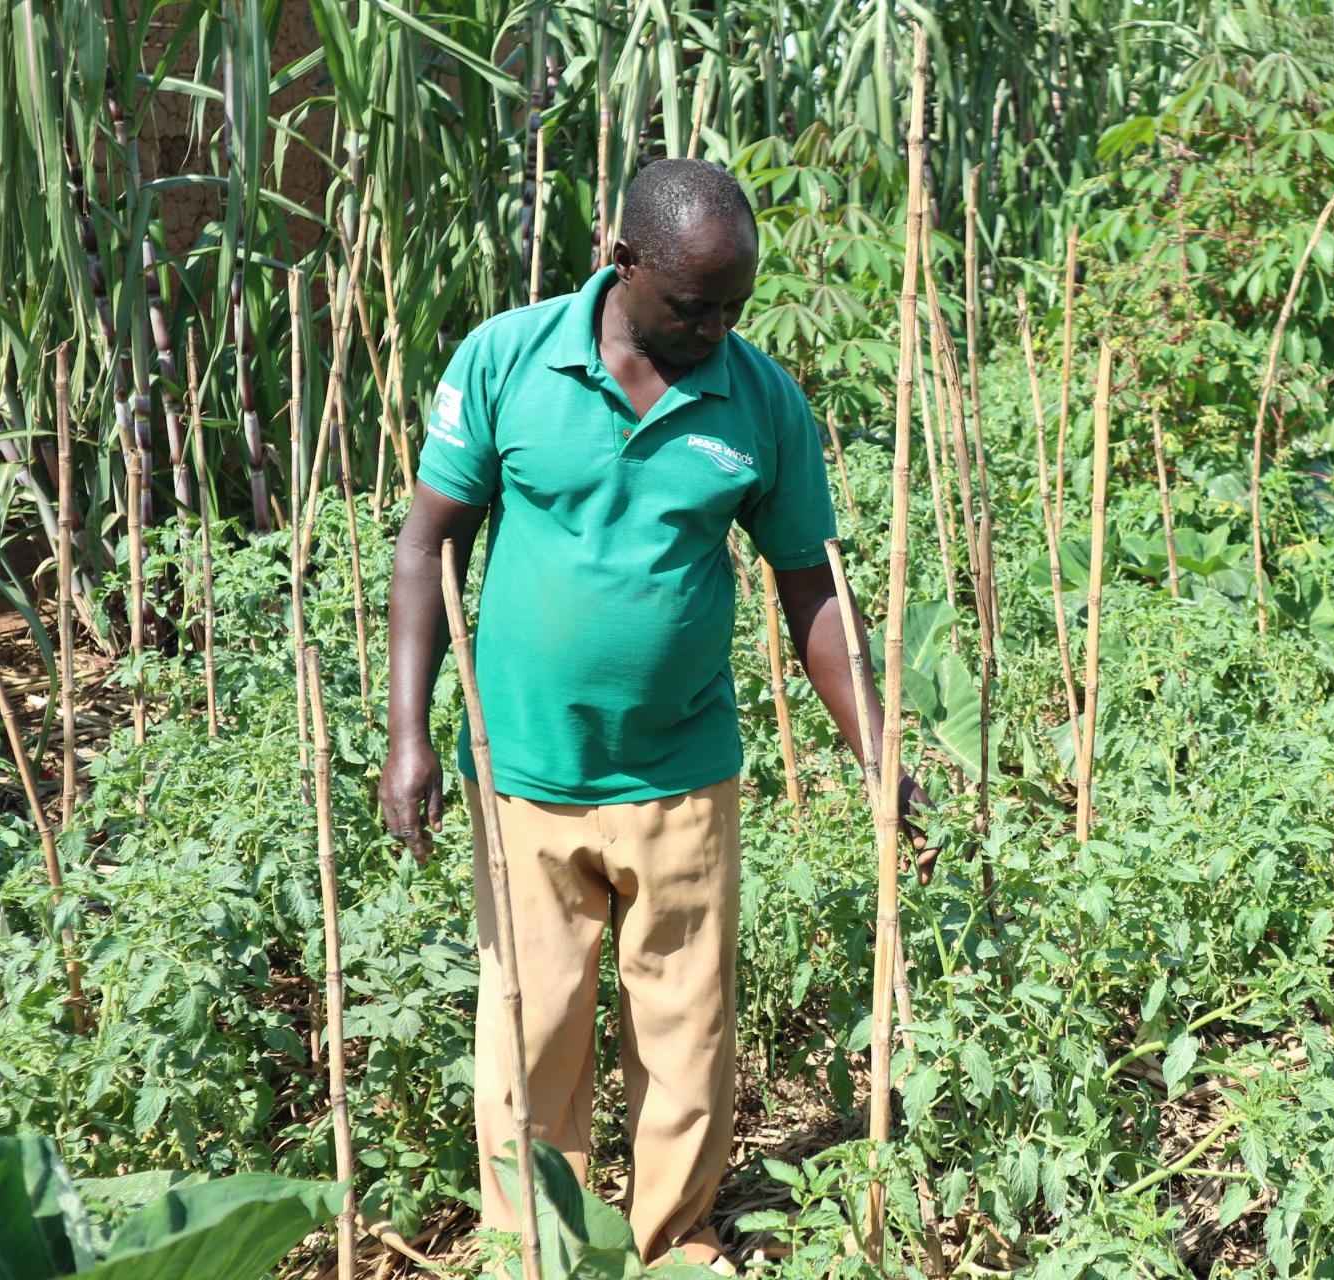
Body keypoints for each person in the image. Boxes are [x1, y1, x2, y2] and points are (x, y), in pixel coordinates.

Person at [377, 157, 934, 1273]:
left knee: (686, 1038)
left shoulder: (760, 398)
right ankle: (535, 1248)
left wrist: (877, 751)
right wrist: (409, 731)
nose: (715, 328)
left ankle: (670, 1243)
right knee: (531, 1033)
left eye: (735, 306)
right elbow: (427, 543)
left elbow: (811, 589)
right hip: (525, 770)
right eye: (692, 305)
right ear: (621, 258)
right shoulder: (507, 359)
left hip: (683, 772)